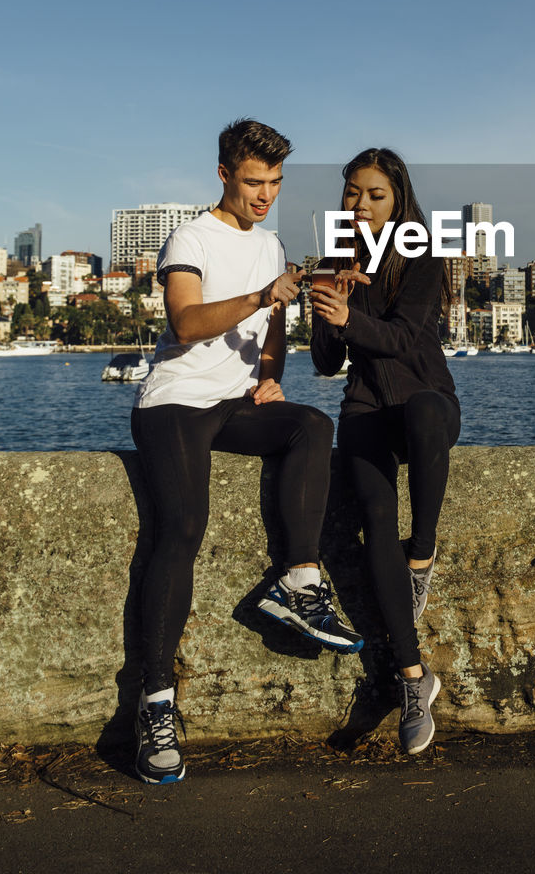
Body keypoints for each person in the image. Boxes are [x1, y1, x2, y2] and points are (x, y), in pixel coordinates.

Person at [131, 119, 362, 786]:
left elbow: (274, 328)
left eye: (276, 184)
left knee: (310, 428)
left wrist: (269, 372)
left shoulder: (272, 244)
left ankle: (298, 581)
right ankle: (155, 705)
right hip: (174, 403)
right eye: (254, 182)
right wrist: (263, 294)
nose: (265, 195)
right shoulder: (190, 237)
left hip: (233, 406)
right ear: (225, 175)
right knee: (178, 532)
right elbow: (187, 320)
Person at [310, 148, 459, 755]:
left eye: (375, 194)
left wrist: (351, 316)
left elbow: (400, 339)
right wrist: (326, 308)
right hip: (365, 407)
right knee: (374, 521)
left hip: (426, 401)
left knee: (422, 410)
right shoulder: (333, 261)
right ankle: (412, 680)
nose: (362, 204)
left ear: (398, 198)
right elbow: (327, 364)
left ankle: (420, 558)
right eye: (352, 193)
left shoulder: (421, 253)